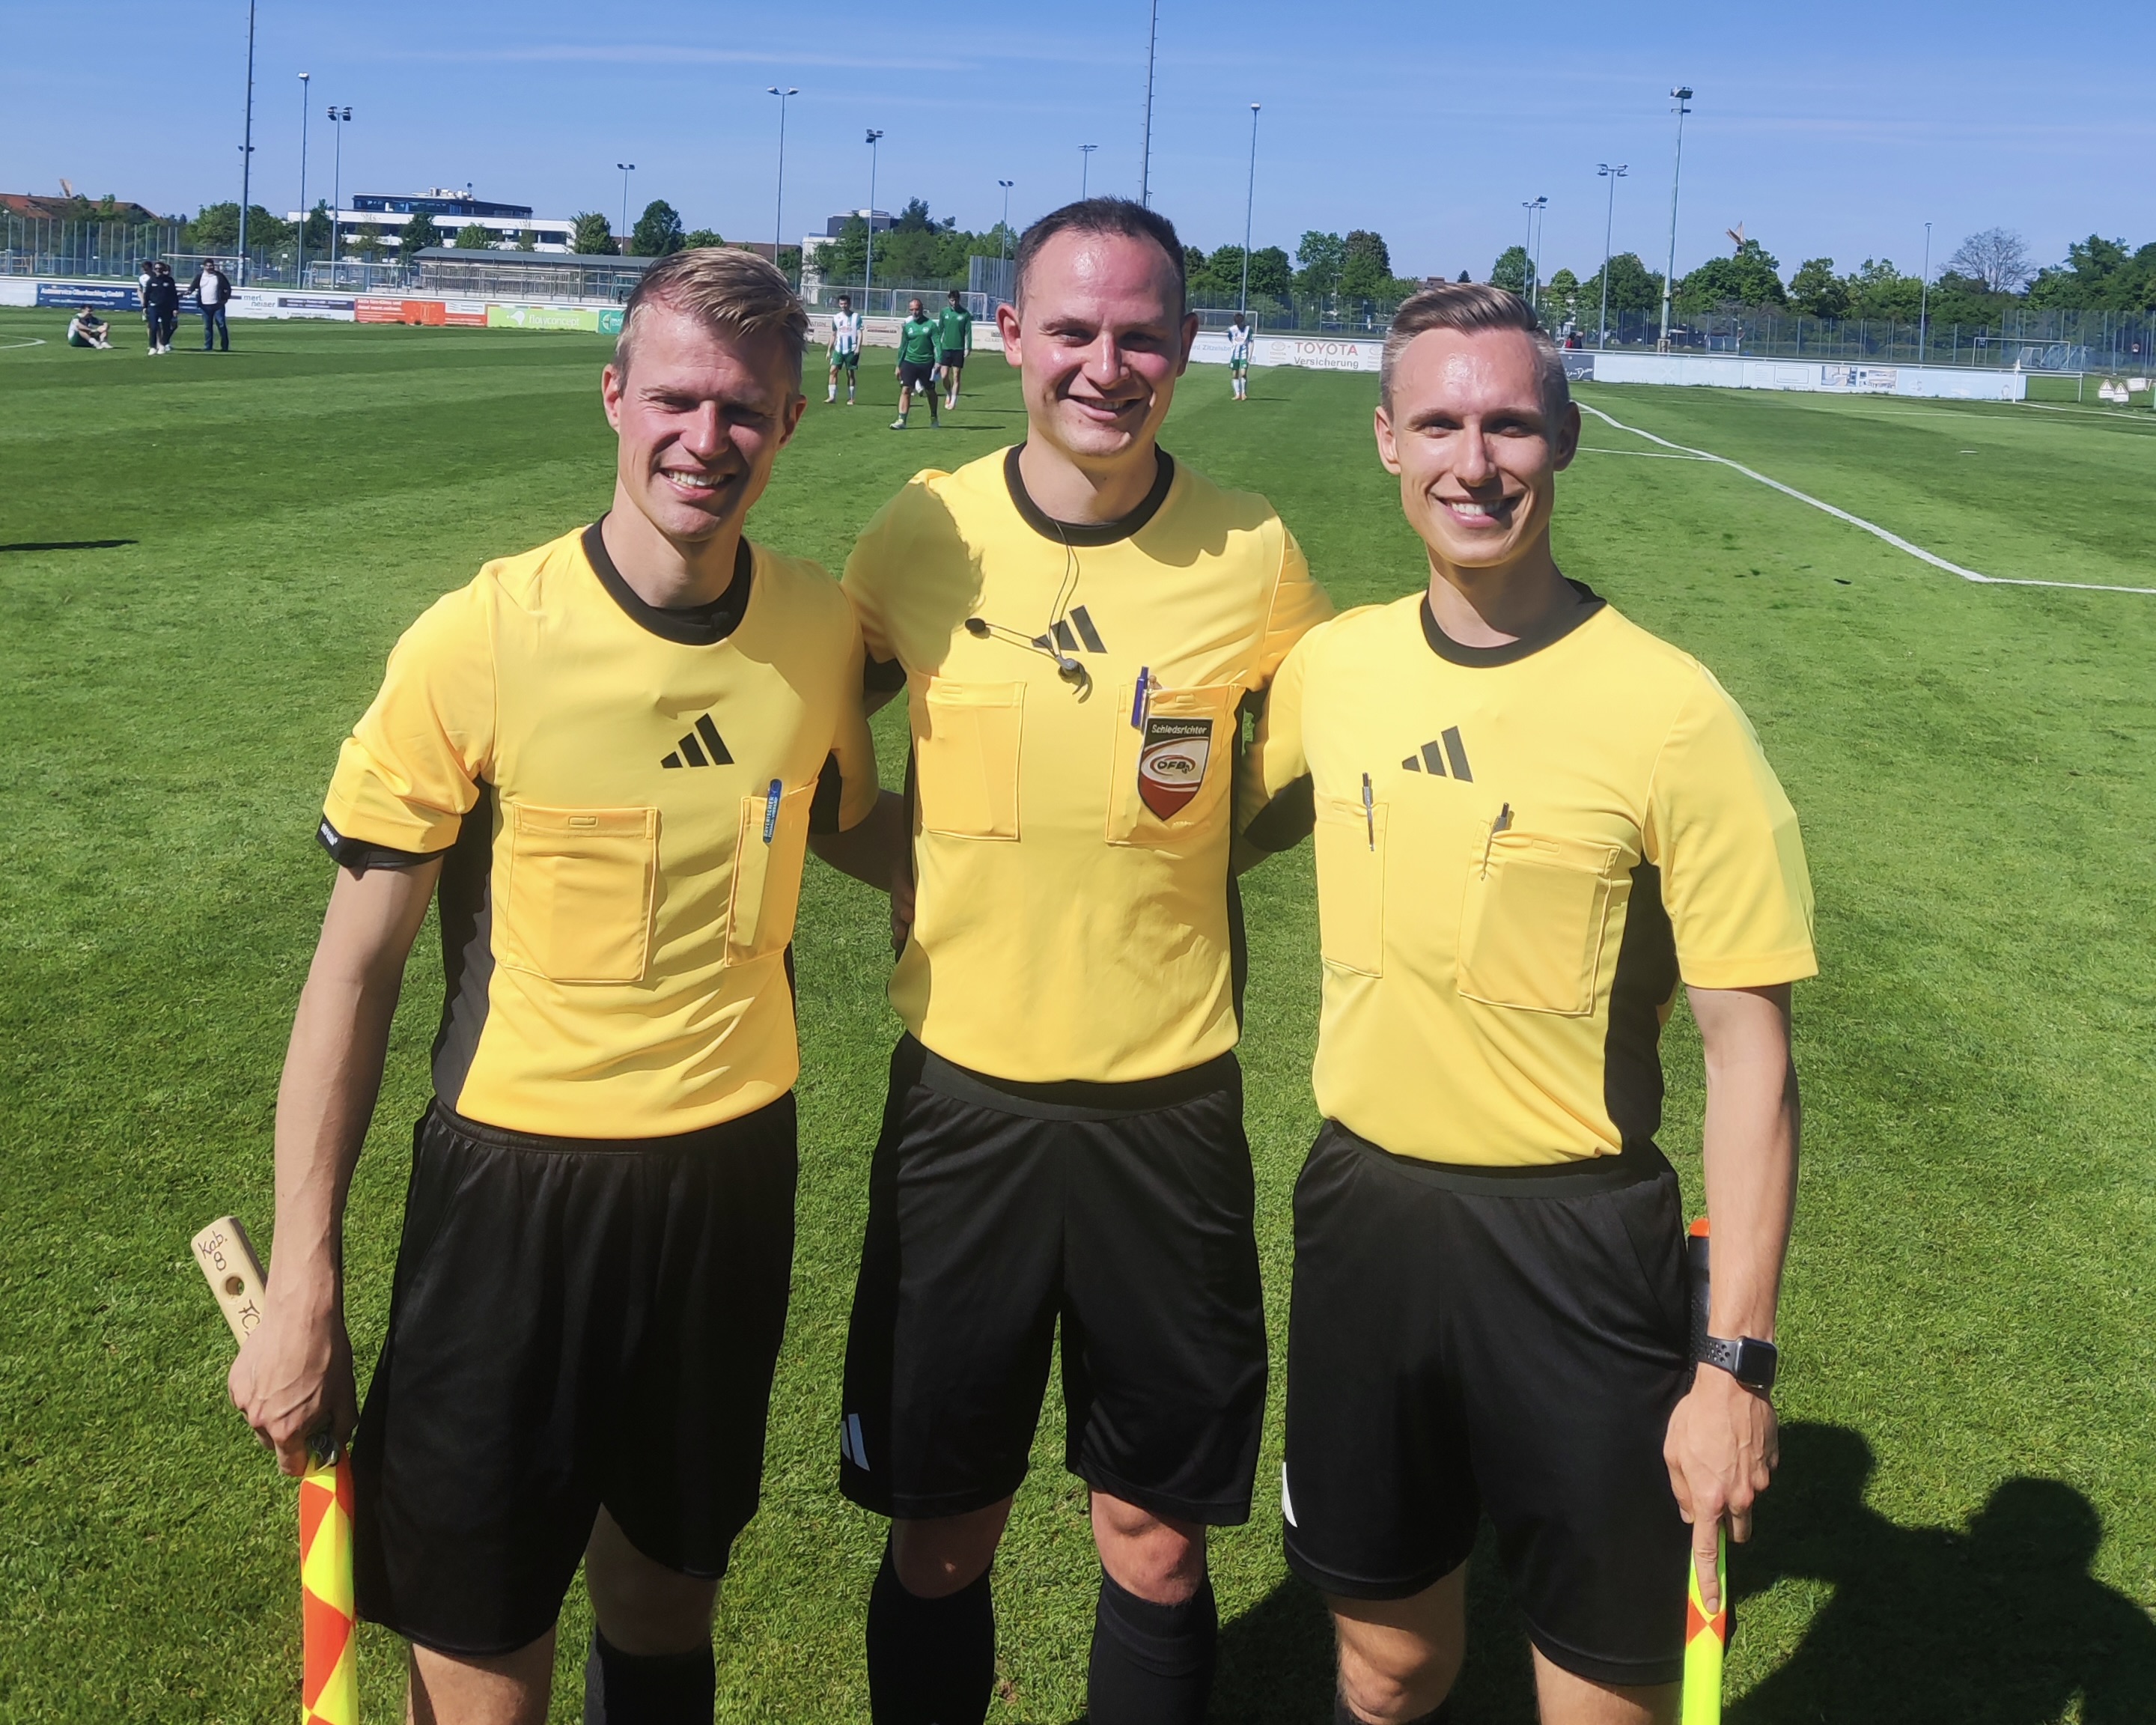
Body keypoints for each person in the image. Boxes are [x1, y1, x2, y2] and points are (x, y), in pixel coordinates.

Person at [225, 248, 898, 1725]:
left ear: (791, 422)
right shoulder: (480, 637)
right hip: (514, 1200)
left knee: (664, 1604)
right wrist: (304, 1285)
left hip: (730, 1183)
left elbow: (845, 818)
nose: (705, 439)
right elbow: (353, 976)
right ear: (613, 396)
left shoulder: (819, 630)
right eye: (675, 400)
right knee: (483, 1654)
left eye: (745, 409)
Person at [1239, 281, 1815, 1725]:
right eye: (1439, 423)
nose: (1474, 461)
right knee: (1387, 1668)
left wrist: (1735, 1363)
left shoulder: (1675, 713)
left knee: (1603, 1699)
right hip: (1366, 1222)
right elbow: (1183, 830)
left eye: (1508, 424)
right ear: (1387, 438)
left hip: (1580, 1248)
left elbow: (1752, 1055)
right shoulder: (1336, 669)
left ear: (1563, 438)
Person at [838, 195, 1333, 1725]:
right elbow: (798, 725)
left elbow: (1318, 758)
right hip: (962, 1108)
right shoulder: (923, 532)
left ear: (1183, 346)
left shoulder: (1254, 553)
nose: (1104, 366)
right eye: (1071, 330)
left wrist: (1195, 853)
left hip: (1166, 1112)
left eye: (1139, 335)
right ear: (1010, 336)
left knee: (1157, 1541)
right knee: (941, 1533)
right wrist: (896, 850)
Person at [890, 296, 940, 429]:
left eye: (917, 309)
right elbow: (903, 347)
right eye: (912, 310)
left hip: (926, 363)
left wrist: (939, 361)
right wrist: (898, 365)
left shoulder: (931, 325)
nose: (914, 312)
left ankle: (934, 416)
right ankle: (902, 420)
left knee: (930, 391)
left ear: (922, 309)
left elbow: (938, 344)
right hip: (909, 362)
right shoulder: (908, 327)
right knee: (906, 389)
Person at [936, 286, 972, 410]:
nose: (954, 302)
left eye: (956, 300)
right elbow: (940, 330)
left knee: (956, 376)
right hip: (946, 348)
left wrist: (968, 347)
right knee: (944, 375)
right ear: (949, 300)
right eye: (952, 300)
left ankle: (954, 401)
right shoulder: (944, 313)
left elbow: (968, 332)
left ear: (959, 300)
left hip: (958, 349)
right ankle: (948, 393)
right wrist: (937, 345)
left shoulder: (965, 314)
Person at [829, 292, 864, 405]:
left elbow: (860, 333)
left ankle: (851, 398)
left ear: (849, 304)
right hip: (839, 349)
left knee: (850, 373)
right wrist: (829, 350)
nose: (843, 306)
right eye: (841, 304)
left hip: (851, 349)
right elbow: (833, 334)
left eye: (845, 304)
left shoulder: (856, 317)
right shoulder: (836, 318)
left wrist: (858, 348)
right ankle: (832, 397)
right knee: (833, 370)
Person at [190, 258, 232, 351]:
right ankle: (208, 346)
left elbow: (228, 288)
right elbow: (193, 287)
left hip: (218, 305)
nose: (210, 268)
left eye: (211, 266)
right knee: (208, 327)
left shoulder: (219, 276)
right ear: (204, 267)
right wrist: (188, 292)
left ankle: (225, 346)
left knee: (221, 325)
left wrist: (225, 299)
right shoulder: (200, 276)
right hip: (204, 306)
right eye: (208, 266)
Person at [142, 263, 180, 356]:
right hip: (154, 307)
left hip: (167, 308)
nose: (158, 270)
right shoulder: (151, 281)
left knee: (166, 327)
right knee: (153, 327)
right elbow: (147, 295)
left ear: (163, 270)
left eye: (160, 269)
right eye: (156, 269)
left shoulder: (169, 280)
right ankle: (152, 347)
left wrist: (175, 308)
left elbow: (174, 295)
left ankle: (163, 345)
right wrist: (145, 307)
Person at [1225, 312, 1253, 401]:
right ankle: (1237, 394)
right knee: (1235, 374)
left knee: (1243, 373)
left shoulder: (1248, 329)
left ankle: (1244, 393)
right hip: (1235, 356)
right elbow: (1231, 339)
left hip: (1244, 355)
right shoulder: (1232, 330)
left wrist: (1250, 356)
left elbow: (1251, 342)